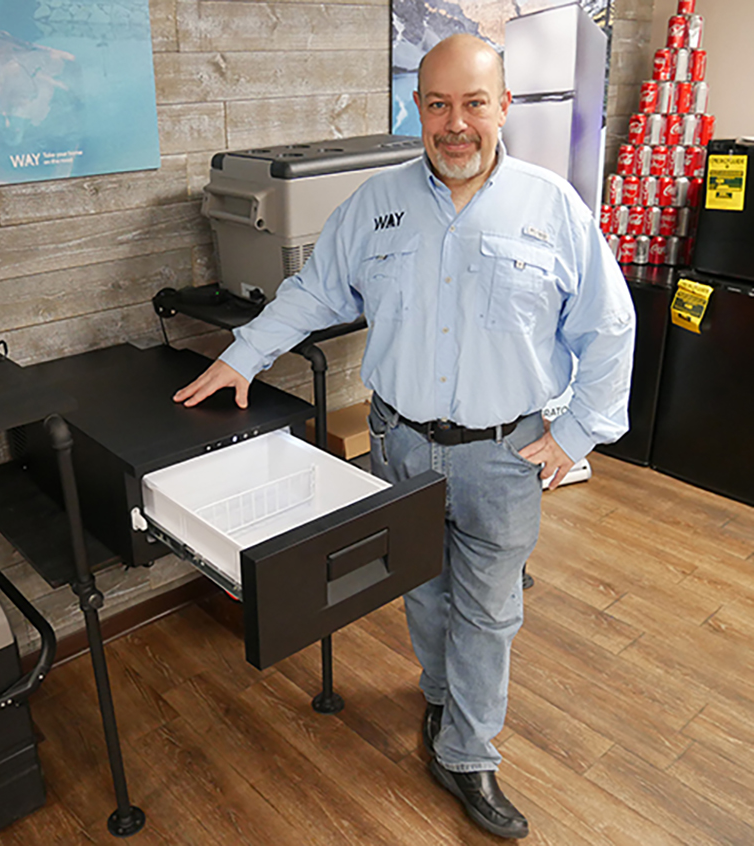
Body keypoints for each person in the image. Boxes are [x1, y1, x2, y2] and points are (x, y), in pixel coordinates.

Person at [174, 34, 635, 840]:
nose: (455, 124)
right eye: (438, 105)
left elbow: (609, 328)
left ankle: (467, 753)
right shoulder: (376, 204)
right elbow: (312, 291)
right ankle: (437, 696)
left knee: (489, 611)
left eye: (473, 103)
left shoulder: (552, 207)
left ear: (503, 107)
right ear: (417, 109)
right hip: (401, 446)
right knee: (421, 587)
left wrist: (578, 436)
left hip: (505, 453)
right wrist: (241, 357)